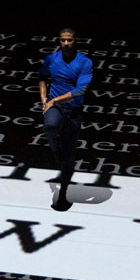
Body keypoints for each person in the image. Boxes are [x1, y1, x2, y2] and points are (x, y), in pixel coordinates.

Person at [39, 27, 93, 211]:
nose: (66, 43)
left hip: (73, 110)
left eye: (69, 40)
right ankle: (56, 150)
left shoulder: (85, 62)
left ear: (75, 40)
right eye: (63, 40)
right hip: (56, 108)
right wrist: (45, 100)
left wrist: (53, 99)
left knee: (69, 156)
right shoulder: (51, 59)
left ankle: (63, 194)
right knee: (50, 125)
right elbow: (42, 78)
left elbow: (80, 90)